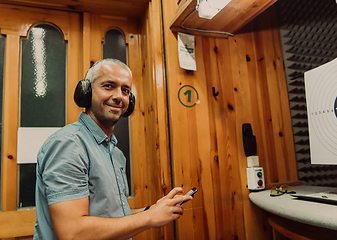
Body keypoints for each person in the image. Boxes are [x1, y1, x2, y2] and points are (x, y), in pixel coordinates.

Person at [33, 58, 192, 240]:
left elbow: (110, 216)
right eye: (108, 86)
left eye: (125, 90)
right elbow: (73, 233)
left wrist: (153, 209)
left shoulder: (115, 154)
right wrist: (149, 217)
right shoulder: (69, 144)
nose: (119, 96)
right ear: (86, 92)